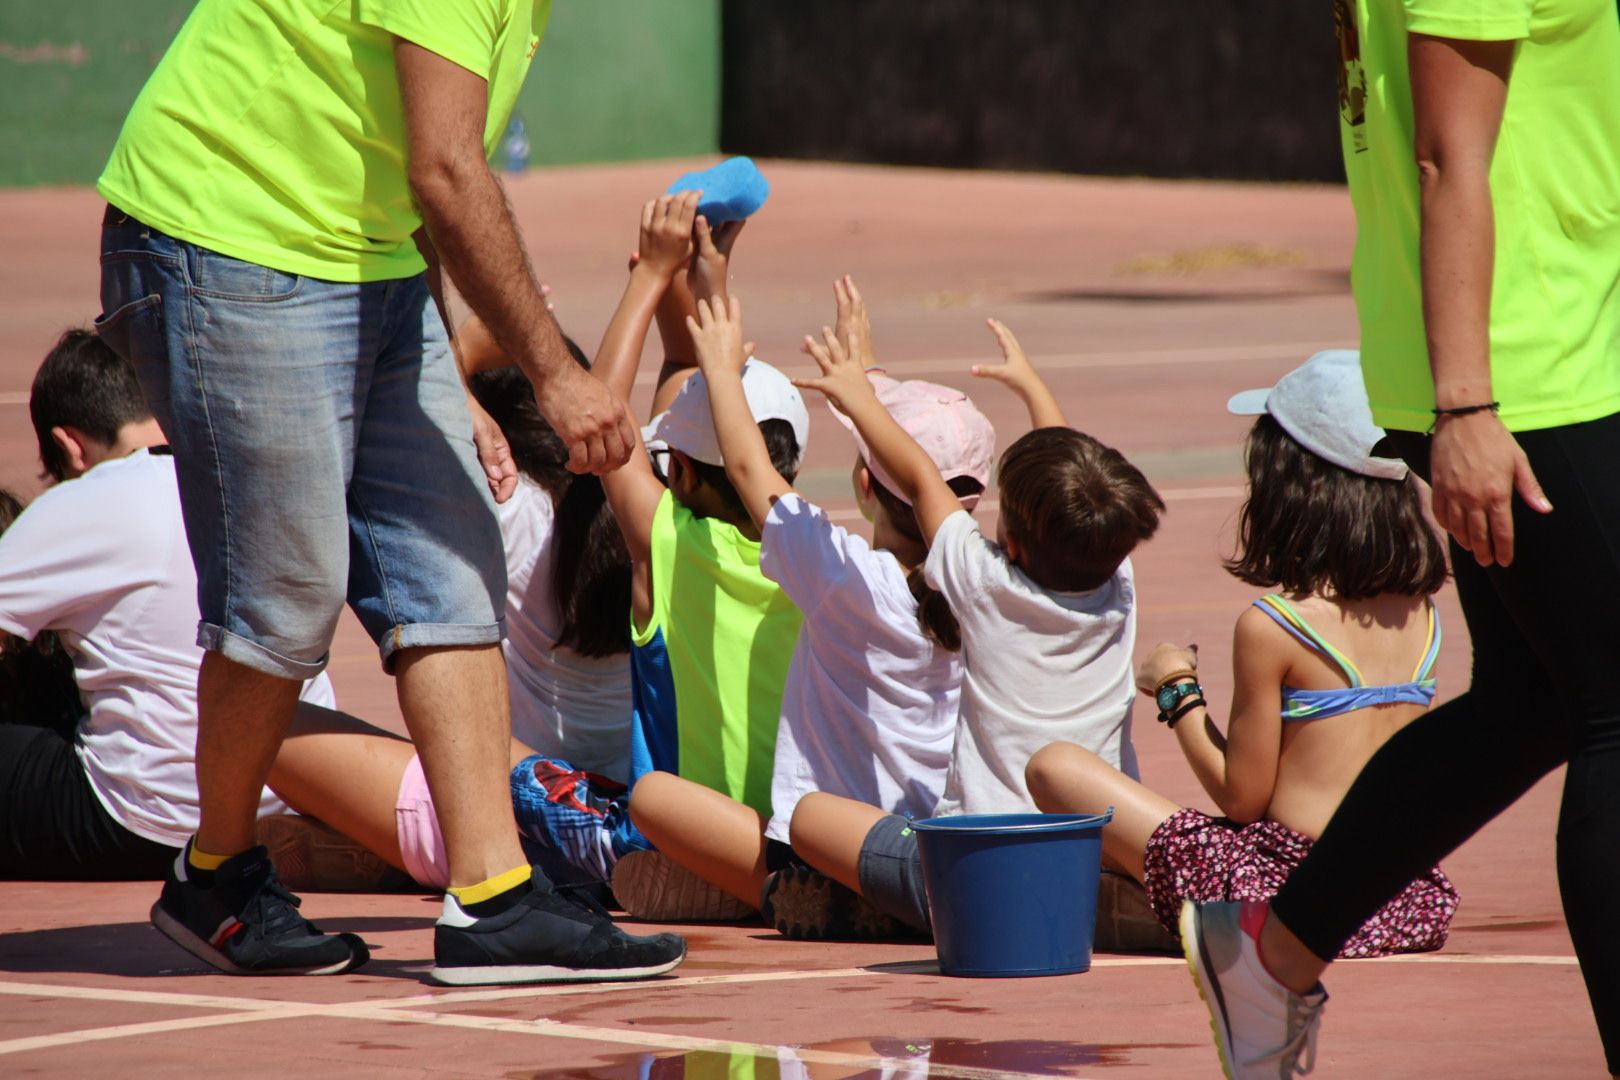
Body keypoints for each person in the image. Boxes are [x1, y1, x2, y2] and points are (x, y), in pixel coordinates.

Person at [93, 0, 680, 982]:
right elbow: (446, 173)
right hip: (231, 233)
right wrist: (556, 373)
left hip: (372, 262)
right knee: (286, 597)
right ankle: (217, 874)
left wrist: (445, 364)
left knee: (450, 561)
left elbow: (425, 175)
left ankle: (493, 897)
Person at [1180, 3, 1620, 1076]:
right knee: (1614, 706)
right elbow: (1442, 153)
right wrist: (1468, 408)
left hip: (1539, 345)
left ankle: (1269, 956)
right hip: (1527, 366)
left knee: (1535, 703)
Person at [1025, 350, 1459, 957]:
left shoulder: (1275, 625)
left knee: (1054, 767)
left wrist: (1177, 689)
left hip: (1287, 893)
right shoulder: (1423, 614)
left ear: (1290, 489)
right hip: (1398, 895)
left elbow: (1243, 798)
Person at [780, 304, 1165, 938]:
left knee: (811, 817)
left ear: (1009, 542)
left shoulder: (984, 584)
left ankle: (899, 911)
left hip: (974, 869)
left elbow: (917, 475)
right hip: (1086, 851)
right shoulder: (1115, 585)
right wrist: (1035, 389)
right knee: (1081, 850)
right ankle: (1099, 901)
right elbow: (1071, 480)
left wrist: (859, 394)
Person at [621, 277, 992, 923]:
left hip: (825, 852)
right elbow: (921, 483)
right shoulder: (989, 584)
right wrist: (868, 377)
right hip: (942, 846)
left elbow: (747, 469)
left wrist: (718, 368)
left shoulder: (844, 578)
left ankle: (771, 895)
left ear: (863, 485)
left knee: (654, 797)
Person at [505, 194, 808, 891]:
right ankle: (756, 877)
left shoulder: (667, 541)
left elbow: (599, 407)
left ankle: (682, 872)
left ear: (685, 474)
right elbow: (740, 449)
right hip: (778, 829)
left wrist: (648, 278)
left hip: (663, 831)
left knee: (486, 756)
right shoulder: (817, 552)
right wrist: (709, 284)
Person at [0, 330, 334, 881]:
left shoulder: (88, 497)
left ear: (70, 447)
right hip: (293, 788)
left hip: (144, 816)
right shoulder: (255, 478)